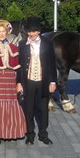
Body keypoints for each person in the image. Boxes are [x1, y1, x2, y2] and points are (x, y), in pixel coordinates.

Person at [16, 17, 57, 145]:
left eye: (34, 31)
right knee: (28, 109)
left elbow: (52, 64)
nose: (31, 34)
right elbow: (19, 65)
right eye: (29, 31)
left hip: (43, 80)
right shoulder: (23, 44)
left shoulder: (47, 43)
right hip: (28, 81)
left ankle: (43, 134)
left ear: (39, 31)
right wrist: (18, 83)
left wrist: (53, 82)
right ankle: (30, 135)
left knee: (43, 109)